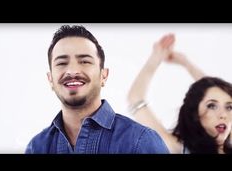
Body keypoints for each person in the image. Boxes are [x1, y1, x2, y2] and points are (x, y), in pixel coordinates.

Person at [25, 25, 169, 154]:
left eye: (85, 61)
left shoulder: (141, 141)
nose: (73, 70)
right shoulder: (36, 147)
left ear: (103, 76)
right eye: (62, 63)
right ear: (50, 79)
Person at [127, 34, 232, 154]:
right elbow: (135, 98)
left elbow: (215, 92)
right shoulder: (178, 149)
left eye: (229, 107)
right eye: (212, 106)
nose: (223, 115)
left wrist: (186, 62)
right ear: (195, 115)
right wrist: (156, 57)